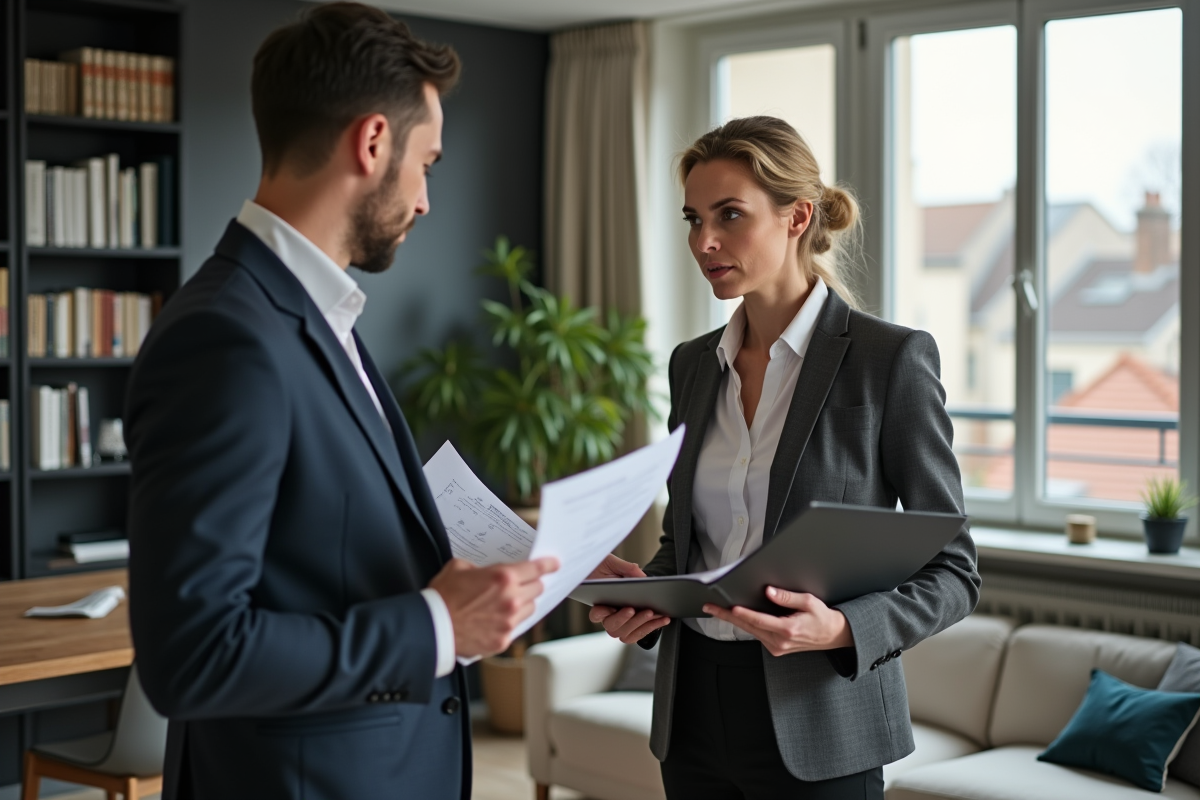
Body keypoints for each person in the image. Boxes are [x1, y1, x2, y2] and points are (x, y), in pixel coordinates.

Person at [124, 5, 557, 798]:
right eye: (427, 162)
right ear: (372, 143)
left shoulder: (318, 316)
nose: (426, 200)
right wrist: (436, 626)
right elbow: (192, 655)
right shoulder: (226, 337)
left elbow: (323, 541)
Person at [589, 116, 981, 799]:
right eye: (692, 219)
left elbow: (954, 569)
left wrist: (842, 628)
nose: (703, 242)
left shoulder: (889, 360)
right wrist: (643, 595)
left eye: (729, 215)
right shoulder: (692, 366)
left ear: (797, 216)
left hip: (822, 715)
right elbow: (689, 542)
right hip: (692, 714)